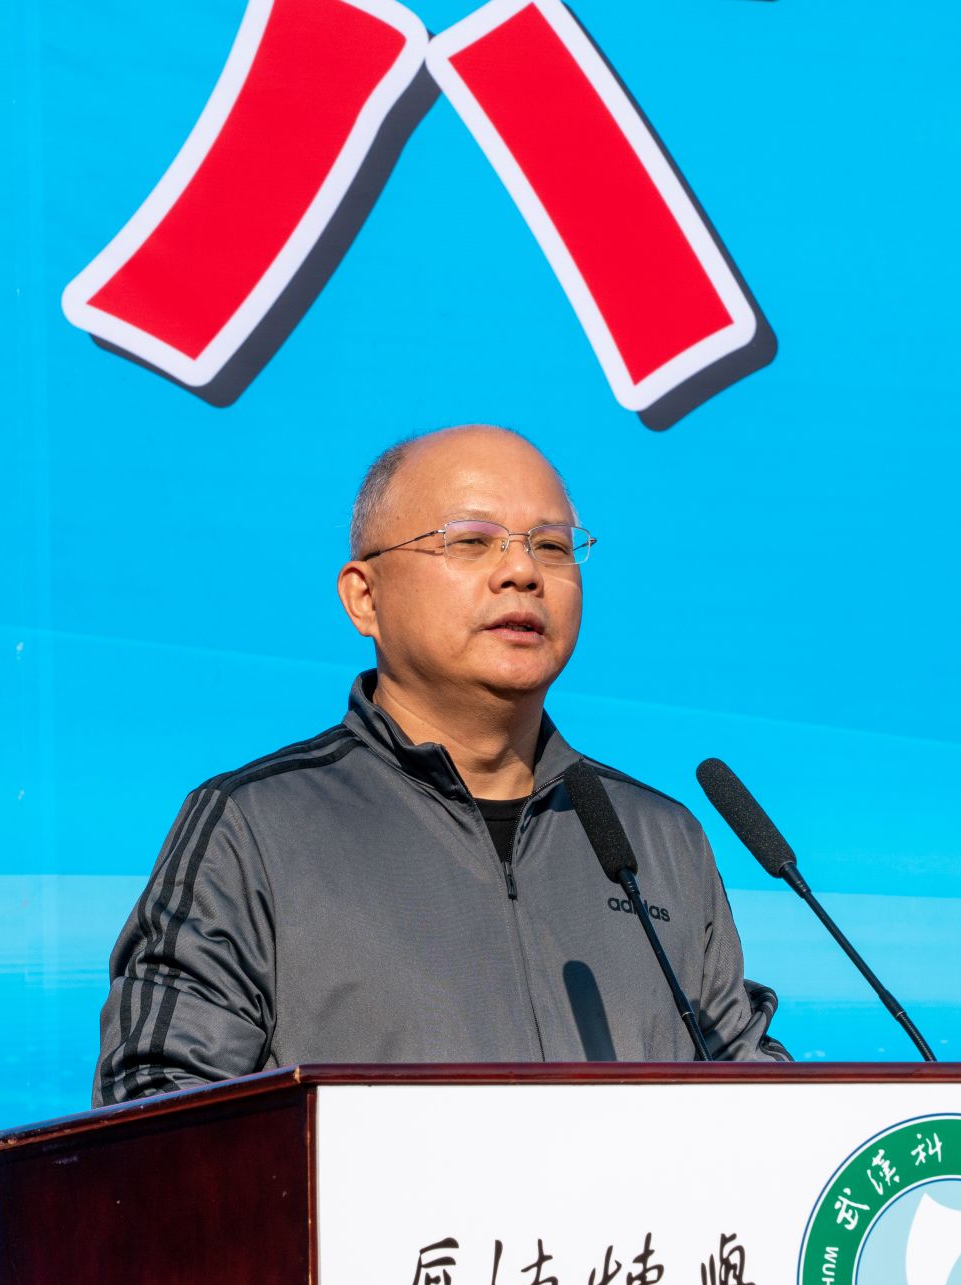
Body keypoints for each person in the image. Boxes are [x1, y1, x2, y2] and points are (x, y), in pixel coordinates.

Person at [93, 425, 788, 1104]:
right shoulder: (255, 827)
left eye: (551, 546)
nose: (522, 572)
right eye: (472, 541)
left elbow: (760, 1105)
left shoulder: (656, 838)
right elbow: (155, 1110)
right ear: (365, 597)